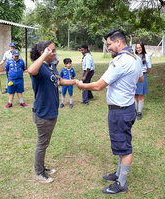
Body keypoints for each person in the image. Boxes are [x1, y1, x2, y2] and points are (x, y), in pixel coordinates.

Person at [77, 29, 143, 194]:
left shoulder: (121, 61)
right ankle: (119, 174)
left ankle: (121, 183)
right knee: (122, 145)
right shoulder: (134, 57)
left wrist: (82, 85)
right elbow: (140, 77)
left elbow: (99, 85)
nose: (108, 48)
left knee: (124, 147)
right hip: (126, 108)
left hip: (120, 111)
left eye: (109, 44)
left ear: (118, 42)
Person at [28, 40, 78, 183]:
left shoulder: (50, 67)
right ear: (44, 52)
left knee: (44, 143)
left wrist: (75, 82)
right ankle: (38, 172)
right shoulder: (39, 67)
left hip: (51, 111)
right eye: (52, 51)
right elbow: (31, 71)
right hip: (43, 113)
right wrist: (44, 55)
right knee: (42, 144)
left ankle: (42, 168)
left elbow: (59, 81)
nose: (55, 53)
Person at [134, 42, 151, 120]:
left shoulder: (147, 56)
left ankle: (139, 113)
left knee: (141, 96)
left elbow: (149, 68)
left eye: (139, 47)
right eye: (137, 48)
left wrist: (142, 75)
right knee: (134, 95)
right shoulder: (134, 56)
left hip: (143, 77)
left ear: (143, 48)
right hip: (134, 77)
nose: (138, 49)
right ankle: (134, 112)